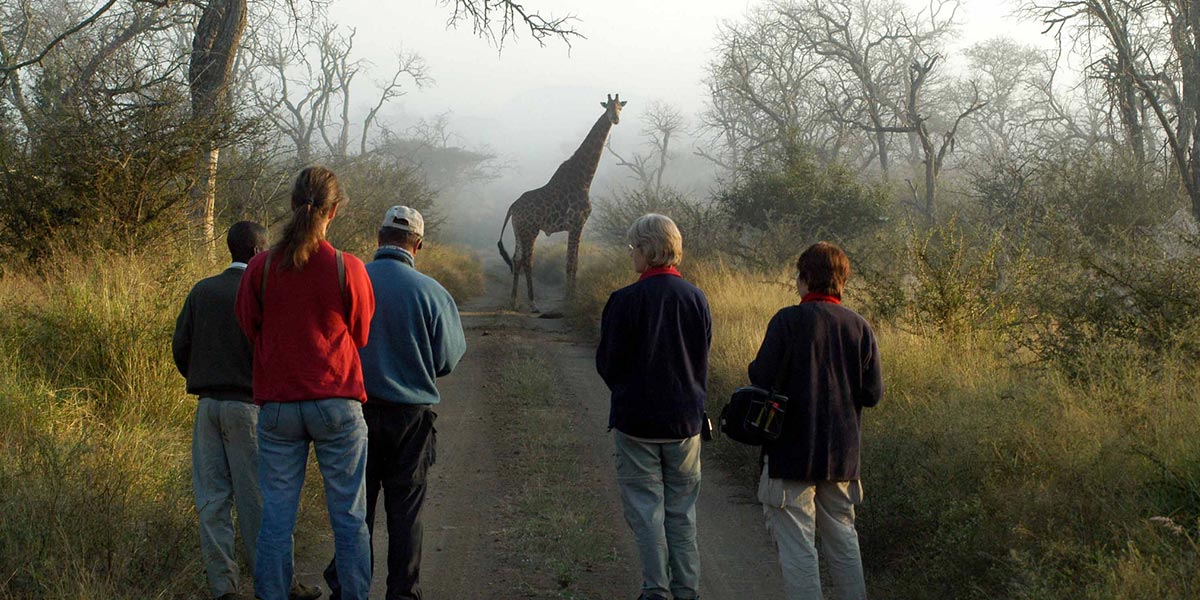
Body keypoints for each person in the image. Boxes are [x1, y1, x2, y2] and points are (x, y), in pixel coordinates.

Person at [235, 166, 376, 600]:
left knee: (276, 516)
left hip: (277, 405)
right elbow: (362, 332)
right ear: (333, 211)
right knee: (349, 517)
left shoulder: (258, 268)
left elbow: (248, 327)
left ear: (293, 205)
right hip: (336, 402)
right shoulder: (345, 267)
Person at [172, 221, 321, 600]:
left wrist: (204, 376)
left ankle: (224, 588)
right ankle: (276, 584)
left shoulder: (202, 290)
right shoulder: (264, 288)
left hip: (207, 407)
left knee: (213, 501)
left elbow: (180, 347)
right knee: (261, 500)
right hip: (249, 407)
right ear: (258, 251)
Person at [323, 206, 466, 600]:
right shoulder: (434, 292)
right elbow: (448, 360)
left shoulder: (349, 282)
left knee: (355, 510)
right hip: (411, 419)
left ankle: (348, 590)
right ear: (417, 245)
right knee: (406, 513)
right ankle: (403, 594)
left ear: (378, 236)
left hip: (354, 413)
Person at [747, 241, 884, 600]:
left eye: (799, 275)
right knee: (844, 543)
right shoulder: (860, 326)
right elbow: (872, 394)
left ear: (806, 277)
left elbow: (760, 377)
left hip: (790, 452)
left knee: (798, 549)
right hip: (842, 456)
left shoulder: (787, 321)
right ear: (841, 280)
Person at [596, 213, 712, 600]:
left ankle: (655, 590)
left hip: (637, 424)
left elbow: (608, 365)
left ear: (647, 250)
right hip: (685, 425)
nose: (632, 256)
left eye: (633, 249)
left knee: (647, 511)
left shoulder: (624, 301)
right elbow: (701, 357)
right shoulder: (697, 298)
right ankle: (686, 589)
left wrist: (631, 390)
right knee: (682, 512)